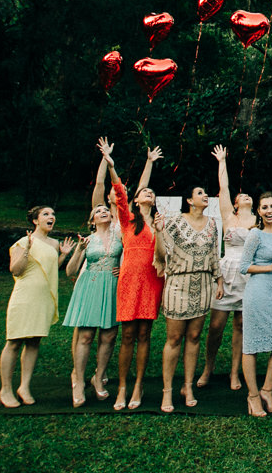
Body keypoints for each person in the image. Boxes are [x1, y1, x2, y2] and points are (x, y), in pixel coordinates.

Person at [154, 147, 226, 413]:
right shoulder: (172, 221)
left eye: (205, 193)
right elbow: (161, 255)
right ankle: (166, 391)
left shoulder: (212, 224)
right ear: (189, 200)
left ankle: (188, 386)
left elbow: (214, 254)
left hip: (204, 283)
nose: (205, 196)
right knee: (174, 338)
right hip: (177, 284)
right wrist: (159, 233)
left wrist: (218, 281)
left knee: (195, 336)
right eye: (200, 193)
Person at [105, 139, 163, 410]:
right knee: (127, 334)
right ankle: (122, 386)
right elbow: (119, 191)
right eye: (144, 192)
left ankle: (139, 384)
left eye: (152, 192)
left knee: (144, 334)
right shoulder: (128, 220)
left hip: (152, 282)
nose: (148, 193)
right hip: (129, 281)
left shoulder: (160, 224)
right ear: (138, 198)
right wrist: (112, 165)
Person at [0, 206, 76, 407]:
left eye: (53, 215)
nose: (51, 217)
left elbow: (49, 268)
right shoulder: (24, 241)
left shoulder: (54, 243)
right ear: (35, 221)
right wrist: (26, 250)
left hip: (44, 298)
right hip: (25, 297)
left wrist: (64, 255)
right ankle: (5, 389)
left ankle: (24, 386)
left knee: (34, 342)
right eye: (46, 214)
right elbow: (15, 270)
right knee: (14, 341)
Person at [62, 195, 122, 407]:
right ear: (92, 221)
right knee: (86, 336)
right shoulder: (87, 240)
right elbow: (70, 271)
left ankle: (99, 377)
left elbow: (128, 259)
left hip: (112, 287)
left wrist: (122, 269)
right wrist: (78, 249)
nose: (103, 212)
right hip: (91, 286)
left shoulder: (119, 238)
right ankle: (78, 380)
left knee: (109, 335)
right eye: (98, 211)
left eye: (106, 209)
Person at [239, 192, 272, 417]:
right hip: (257, 292)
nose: (269, 211)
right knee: (251, 346)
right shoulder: (255, 235)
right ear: (259, 212)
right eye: (264, 207)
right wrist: (267, 268)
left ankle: (267, 390)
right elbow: (243, 266)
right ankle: (253, 396)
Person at [198, 185, 255, 390]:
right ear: (235, 203)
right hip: (227, 274)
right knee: (215, 327)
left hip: (248, 275)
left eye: (249, 195)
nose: (246, 196)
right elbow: (223, 189)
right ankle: (208, 367)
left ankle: (234, 373)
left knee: (240, 326)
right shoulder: (229, 218)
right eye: (242, 195)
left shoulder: (258, 222)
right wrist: (222, 161)